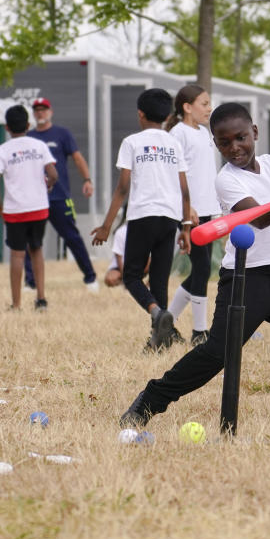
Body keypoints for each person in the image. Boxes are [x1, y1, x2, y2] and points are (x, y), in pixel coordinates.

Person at [119, 102, 270, 426]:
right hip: (245, 280)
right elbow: (261, 218)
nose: (234, 148)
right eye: (224, 142)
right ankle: (150, 401)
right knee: (217, 355)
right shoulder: (226, 181)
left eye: (241, 138)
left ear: (254, 132)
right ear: (216, 144)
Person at [91, 88, 191, 351]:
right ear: (168, 115)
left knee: (132, 276)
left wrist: (106, 226)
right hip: (169, 218)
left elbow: (122, 189)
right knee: (159, 279)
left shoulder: (132, 142)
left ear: (140, 114)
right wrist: (187, 228)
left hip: (142, 216)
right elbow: (184, 190)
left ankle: (157, 313)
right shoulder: (174, 143)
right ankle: (160, 340)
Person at [165, 85, 221, 346]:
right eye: (204, 103)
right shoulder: (178, 134)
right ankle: (200, 331)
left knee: (204, 268)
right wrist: (187, 209)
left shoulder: (204, 133)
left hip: (209, 208)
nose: (209, 108)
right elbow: (175, 174)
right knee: (201, 267)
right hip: (192, 211)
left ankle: (165, 322)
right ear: (187, 107)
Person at [25, 97, 99, 292]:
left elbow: (77, 157)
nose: (40, 113)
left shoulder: (62, 134)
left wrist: (87, 180)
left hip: (59, 196)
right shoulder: (29, 137)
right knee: (30, 241)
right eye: (37, 110)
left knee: (72, 237)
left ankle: (91, 278)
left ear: (51, 112)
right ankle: (30, 283)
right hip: (34, 198)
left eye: (44, 109)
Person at [0, 105, 58, 311]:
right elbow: (53, 174)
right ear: (28, 125)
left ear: (7, 127)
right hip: (39, 207)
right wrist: (47, 186)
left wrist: (0, 208)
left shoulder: (1, 150)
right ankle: (41, 299)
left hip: (14, 210)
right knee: (36, 250)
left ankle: (17, 304)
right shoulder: (39, 145)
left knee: (17, 255)